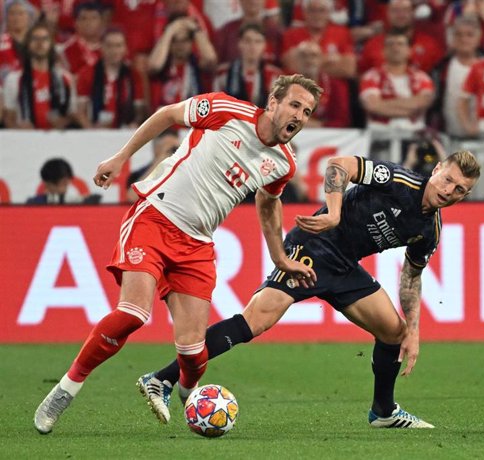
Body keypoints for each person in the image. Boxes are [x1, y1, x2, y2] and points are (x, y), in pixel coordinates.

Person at [33, 74, 323, 434]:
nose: (300, 115)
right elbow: (168, 114)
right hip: (155, 217)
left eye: (308, 111)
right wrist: (121, 157)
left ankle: (178, 390)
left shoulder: (284, 163)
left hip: (197, 244)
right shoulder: (226, 110)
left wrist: (279, 257)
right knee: (133, 313)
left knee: (194, 354)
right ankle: (66, 389)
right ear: (274, 102)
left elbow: (268, 200)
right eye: (295, 104)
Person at [137, 150, 481, 428]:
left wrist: (415, 332)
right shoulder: (399, 181)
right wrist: (333, 212)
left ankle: (384, 412)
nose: (449, 190)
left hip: (346, 266)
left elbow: (411, 276)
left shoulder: (430, 229)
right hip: (314, 247)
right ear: (436, 170)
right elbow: (339, 165)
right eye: (448, 179)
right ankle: (162, 379)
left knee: (394, 331)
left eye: (459, 190)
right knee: (255, 321)